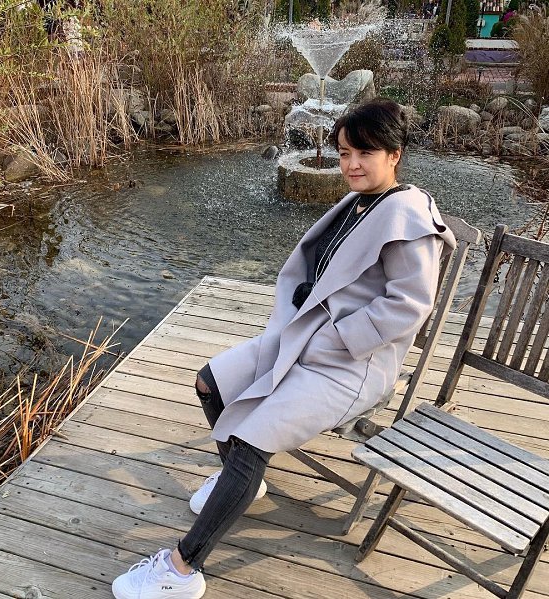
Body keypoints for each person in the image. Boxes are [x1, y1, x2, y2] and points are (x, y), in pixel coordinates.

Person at [111, 98, 456, 599]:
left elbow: (410, 305)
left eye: (365, 153)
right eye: (344, 153)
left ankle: (181, 570)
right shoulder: (360, 202)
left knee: (251, 439)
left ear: (394, 154)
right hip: (300, 340)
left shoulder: (407, 215)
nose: (352, 164)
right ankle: (240, 482)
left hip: (349, 365)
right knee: (210, 382)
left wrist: (337, 337)